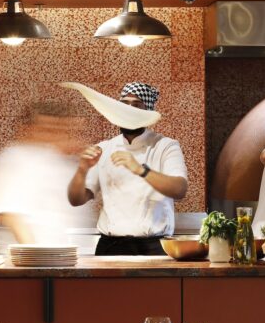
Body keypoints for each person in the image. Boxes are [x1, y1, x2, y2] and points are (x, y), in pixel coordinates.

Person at [68, 82, 188, 256]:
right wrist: (81, 170)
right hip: (110, 246)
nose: (129, 110)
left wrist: (141, 170)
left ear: (146, 112)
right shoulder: (104, 148)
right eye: (124, 105)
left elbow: (180, 189)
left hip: (154, 247)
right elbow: (76, 200)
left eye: (136, 105)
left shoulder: (165, 146)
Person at [0, 101, 85, 253]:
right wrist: (36, 257)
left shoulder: (62, 161)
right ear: (28, 129)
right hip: (27, 264)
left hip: (62, 262)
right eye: (47, 130)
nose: (55, 136)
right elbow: (10, 215)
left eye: (61, 129)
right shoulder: (13, 159)